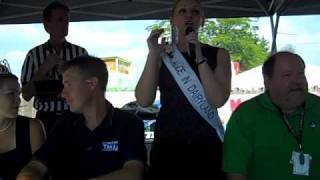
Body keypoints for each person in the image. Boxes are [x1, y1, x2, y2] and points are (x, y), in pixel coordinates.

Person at [135, 0, 231, 179]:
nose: (189, 15)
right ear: (172, 20)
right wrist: (153, 55)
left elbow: (218, 100)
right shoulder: (162, 53)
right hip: (168, 143)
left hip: (206, 144)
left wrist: (200, 58)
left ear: (202, 20)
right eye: (182, 11)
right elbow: (143, 99)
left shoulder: (219, 54)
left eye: (195, 12)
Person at [17, 55, 146, 180]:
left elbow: (134, 172)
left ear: (91, 84)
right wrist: (29, 176)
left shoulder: (129, 123)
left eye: (68, 85)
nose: (62, 94)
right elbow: (37, 165)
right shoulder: (63, 126)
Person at [223, 52, 320, 180]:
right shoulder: (246, 115)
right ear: (267, 81)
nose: (298, 81)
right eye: (287, 75)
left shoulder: (317, 107)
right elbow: (235, 172)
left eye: (301, 73)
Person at [20, 1, 88, 133]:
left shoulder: (80, 53)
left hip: (74, 117)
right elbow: (26, 95)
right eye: (60, 19)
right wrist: (43, 69)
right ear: (47, 25)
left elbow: (89, 89)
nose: (65, 23)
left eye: (67, 20)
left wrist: (69, 71)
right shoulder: (33, 55)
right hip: (46, 120)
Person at [0, 60, 45, 180]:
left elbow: (43, 172)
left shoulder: (31, 127)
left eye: (18, 94)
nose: (18, 100)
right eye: (11, 94)